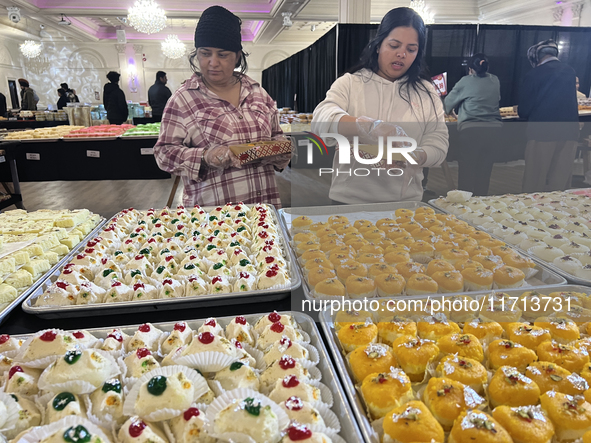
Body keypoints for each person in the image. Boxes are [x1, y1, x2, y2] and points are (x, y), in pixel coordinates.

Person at [153, 6, 290, 207]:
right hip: (215, 220)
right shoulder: (183, 100)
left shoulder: (258, 93)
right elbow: (163, 154)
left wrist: (281, 148)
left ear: (237, 56)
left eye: (223, 54)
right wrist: (204, 156)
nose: (212, 62)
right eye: (205, 53)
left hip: (264, 213)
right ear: (196, 54)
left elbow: (276, 134)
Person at [311, 7, 448, 204]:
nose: (401, 54)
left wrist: (416, 156)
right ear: (378, 45)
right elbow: (321, 120)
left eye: (411, 49)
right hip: (349, 200)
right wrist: (367, 126)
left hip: (405, 202)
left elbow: (439, 143)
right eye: (394, 45)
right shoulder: (351, 83)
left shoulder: (426, 92)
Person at [518, 39, 580, 193]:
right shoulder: (570, 71)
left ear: (537, 56)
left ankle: (531, 213)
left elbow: (524, 109)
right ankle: (558, 214)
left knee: (535, 180)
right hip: (570, 131)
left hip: (542, 131)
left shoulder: (534, 74)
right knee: (560, 182)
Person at [444, 53, 502, 196]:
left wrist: (452, 111)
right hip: (494, 130)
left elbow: (447, 104)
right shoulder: (495, 80)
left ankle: (465, 200)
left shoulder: (466, 81)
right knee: (485, 168)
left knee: (467, 168)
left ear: (470, 69)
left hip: (471, 130)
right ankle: (481, 201)